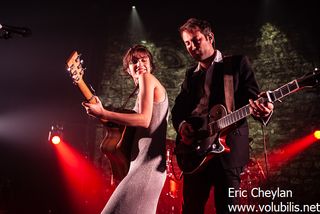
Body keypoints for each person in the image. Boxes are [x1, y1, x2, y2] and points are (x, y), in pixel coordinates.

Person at [171, 18, 274, 214]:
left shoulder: (236, 64)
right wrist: (183, 125)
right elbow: (178, 109)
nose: (191, 47)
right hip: (195, 150)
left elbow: (255, 99)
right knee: (191, 209)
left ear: (210, 37)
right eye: (187, 43)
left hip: (228, 151)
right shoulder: (190, 75)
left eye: (196, 40)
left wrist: (266, 109)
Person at [82, 44, 169, 214]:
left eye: (144, 60)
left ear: (150, 65)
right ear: (128, 70)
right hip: (142, 169)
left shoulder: (147, 79)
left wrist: (104, 112)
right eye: (134, 61)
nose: (140, 64)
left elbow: (144, 120)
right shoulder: (143, 91)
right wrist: (102, 115)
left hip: (147, 169)